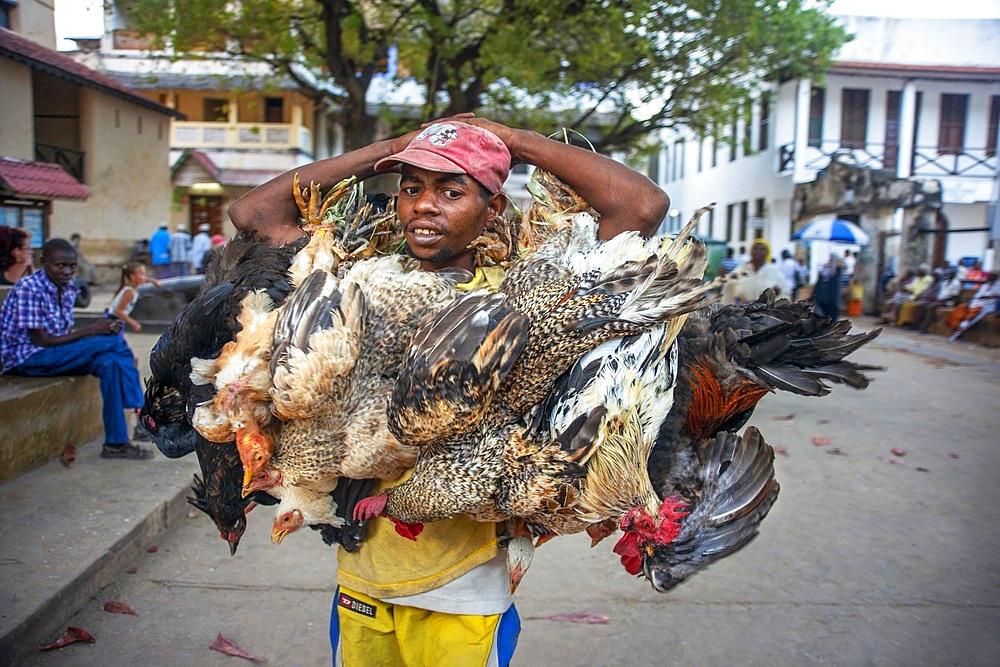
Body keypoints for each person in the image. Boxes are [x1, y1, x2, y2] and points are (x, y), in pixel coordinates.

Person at [228, 116, 669, 666]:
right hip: (362, 579)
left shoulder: (523, 296)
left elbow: (641, 208)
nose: (424, 206)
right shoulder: (356, 280)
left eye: (451, 191)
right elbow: (254, 214)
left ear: (494, 210)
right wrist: (395, 148)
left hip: (462, 587)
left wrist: (512, 142)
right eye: (411, 188)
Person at [0, 239, 151, 459]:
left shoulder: (68, 288)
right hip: (26, 359)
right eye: (59, 266)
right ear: (43, 262)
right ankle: (142, 414)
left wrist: (99, 330)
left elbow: (63, 334)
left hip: (53, 354)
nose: (67, 271)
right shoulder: (28, 288)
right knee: (115, 343)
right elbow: (42, 340)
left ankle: (116, 443)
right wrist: (92, 330)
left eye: (71, 266)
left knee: (110, 362)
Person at [720, 238, 789, 305]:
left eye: (762, 249)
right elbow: (728, 290)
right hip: (742, 312)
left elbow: (784, 292)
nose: (758, 252)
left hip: (765, 313)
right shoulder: (741, 270)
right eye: (755, 248)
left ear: (767, 252)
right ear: (750, 251)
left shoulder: (774, 272)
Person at [109, 262, 161, 333]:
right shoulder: (130, 292)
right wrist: (134, 323)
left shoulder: (132, 287)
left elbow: (143, 279)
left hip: (116, 322)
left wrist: (153, 281)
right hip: (113, 321)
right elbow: (119, 311)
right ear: (132, 277)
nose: (144, 277)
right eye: (142, 274)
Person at [948, 273, 1000, 341]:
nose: (990, 278)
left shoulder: (998, 286)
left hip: (986, 306)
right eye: (990, 276)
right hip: (975, 303)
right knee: (958, 311)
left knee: (970, 318)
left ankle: (957, 334)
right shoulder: (985, 285)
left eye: (992, 276)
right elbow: (977, 296)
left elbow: (995, 296)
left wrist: (985, 297)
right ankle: (955, 330)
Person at [913, 266, 961, 333]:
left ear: (954, 274)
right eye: (948, 273)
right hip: (939, 300)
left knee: (930, 307)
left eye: (950, 273)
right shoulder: (945, 282)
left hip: (947, 302)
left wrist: (942, 300)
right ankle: (916, 325)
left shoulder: (956, 283)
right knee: (924, 305)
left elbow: (954, 296)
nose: (948, 274)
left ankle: (925, 327)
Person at [813, 252, 844, 320]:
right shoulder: (823, 272)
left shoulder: (837, 272)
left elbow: (837, 269)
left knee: (832, 322)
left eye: (834, 260)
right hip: (822, 302)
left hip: (833, 303)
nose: (831, 262)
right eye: (831, 260)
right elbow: (817, 287)